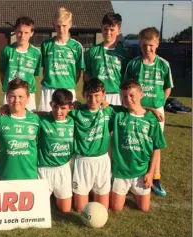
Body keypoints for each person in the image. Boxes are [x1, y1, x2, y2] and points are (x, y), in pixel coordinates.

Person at [123, 27, 174, 196]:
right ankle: (133, 177)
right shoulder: (134, 64)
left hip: (156, 111)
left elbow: (167, 88)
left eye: (151, 45)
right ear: (140, 44)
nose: (148, 49)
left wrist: (159, 105)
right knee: (135, 142)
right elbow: (127, 87)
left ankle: (156, 178)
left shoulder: (163, 64)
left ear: (157, 43)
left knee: (155, 145)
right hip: (136, 108)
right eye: (144, 45)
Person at [109, 80, 167, 212]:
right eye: (124, 96)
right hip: (121, 171)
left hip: (141, 171)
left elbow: (156, 148)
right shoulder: (118, 114)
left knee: (144, 208)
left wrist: (151, 173)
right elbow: (99, 103)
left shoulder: (151, 119)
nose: (128, 99)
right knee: (116, 208)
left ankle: (136, 191)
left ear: (141, 94)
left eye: (131, 95)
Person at [69, 78, 120, 212]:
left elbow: (133, 109)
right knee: (80, 210)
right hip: (82, 161)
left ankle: (94, 191)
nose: (93, 99)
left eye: (97, 95)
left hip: (102, 161)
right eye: (89, 96)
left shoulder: (109, 111)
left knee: (103, 209)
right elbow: (54, 113)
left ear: (104, 95)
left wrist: (153, 110)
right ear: (83, 94)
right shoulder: (76, 112)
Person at [0, 78, 40, 180]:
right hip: (2, 179)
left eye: (20, 96)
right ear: (7, 97)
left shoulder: (36, 120)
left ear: (28, 98)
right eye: (12, 96)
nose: (16, 100)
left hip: (29, 178)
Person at [38, 7, 84, 112]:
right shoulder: (46, 45)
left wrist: (69, 83)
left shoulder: (77, 46)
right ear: (53, 25)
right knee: (46, 120)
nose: (61, 29)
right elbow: (44, 69)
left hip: (68, 89)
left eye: (64, 26)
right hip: (48, 89)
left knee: (67, 121)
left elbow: (78, 72)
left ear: (70, 24)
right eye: (58, 26)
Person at [37, 89, 74, 213]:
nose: (58, 112)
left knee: (65, 210)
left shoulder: (74, 121)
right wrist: (5, 107)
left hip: (63, 169)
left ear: (70, 107)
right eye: (55, 107)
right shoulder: (41, 120)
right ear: (50, 104)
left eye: (63, 108)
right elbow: (26, 113)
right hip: (43, 169)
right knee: (39, 210)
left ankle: (54, 196)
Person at [84, 12, 130, 106]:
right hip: (96, 95)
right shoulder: (92, 51)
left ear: (119, 31)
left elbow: (127, 78)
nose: (108, 33)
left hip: (117, 96)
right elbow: (87, 75)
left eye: (112, 29)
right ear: (101, 29)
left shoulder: (125, 54)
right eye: (105, 29)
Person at [0, 16, 42, 111]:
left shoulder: (36, 53)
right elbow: (2, 72)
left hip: (29, 93)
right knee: (8, 119)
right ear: (15, 31)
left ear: (32, 33)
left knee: (28, 120)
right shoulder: (7, 50)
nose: (22, 36)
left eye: (26, 33)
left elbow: (35, 74)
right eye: (19, 32)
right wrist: (8, 88)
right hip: (10, 93)